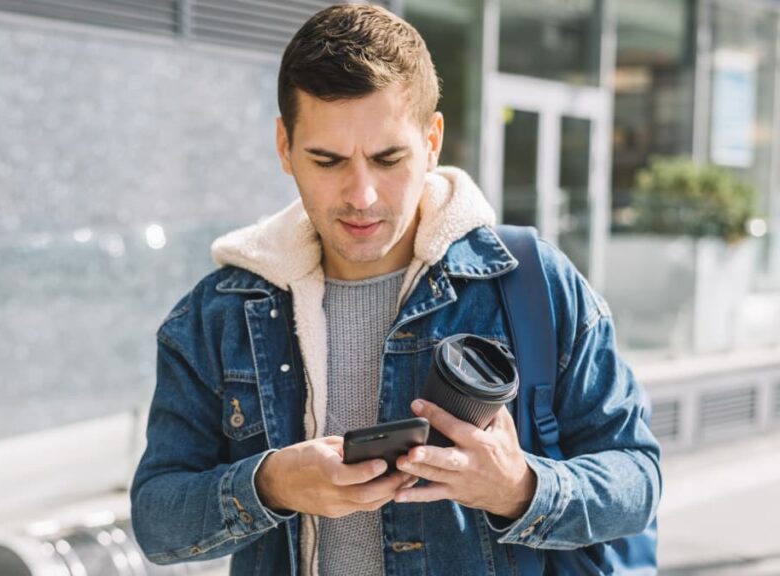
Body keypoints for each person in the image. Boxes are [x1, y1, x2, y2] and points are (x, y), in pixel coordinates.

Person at [130, 4, 661, 575]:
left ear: (432, 140)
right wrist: (273, 484)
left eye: (388, 159)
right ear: (284, 147)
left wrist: (518, 488)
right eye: (327, 160)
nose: (361, 194)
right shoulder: (221, 313)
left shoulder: (533, 282)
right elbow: (158, 522)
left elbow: (637, 479)